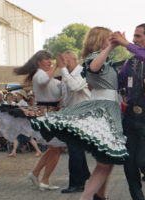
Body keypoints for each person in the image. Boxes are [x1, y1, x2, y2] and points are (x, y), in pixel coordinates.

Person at [29, 27, 128, 200]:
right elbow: (80, 80)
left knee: (105, 161)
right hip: (96, 114)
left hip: (100, 112)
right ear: (100, 41)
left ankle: (99, 195)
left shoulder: (99, 61)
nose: (64, 63)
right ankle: (85, 193)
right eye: (107, 38)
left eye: (67, 60)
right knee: (102, 161)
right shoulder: (91, 60)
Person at [0, 50, 66, 191]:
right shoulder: (39, 75)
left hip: (51, 114)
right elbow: (44, 81)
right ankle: (44, 179)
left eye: (51, 59)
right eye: (47, 59)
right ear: (39, 62)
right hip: (46, 114)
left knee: (54, 148)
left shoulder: (48, 76)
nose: (50, 61)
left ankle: (36, 174)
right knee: (56, 148)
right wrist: (57, 65)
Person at [112, 23, 145, 200]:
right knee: (129, 163)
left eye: (138, 36)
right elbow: (118, 82)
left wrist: (126, 43)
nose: (134, 39)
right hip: (130, 116)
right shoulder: (131, 62)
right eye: (134, 36)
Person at [58, 50, 91, 194]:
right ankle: (84, 176)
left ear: (74, 60)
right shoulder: (67, 75)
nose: (64, 64)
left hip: (82, 116)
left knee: (75, 150)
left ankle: (77, 183)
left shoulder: (83, 72)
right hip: (71, 115)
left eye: (66, 61)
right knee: (75, 149)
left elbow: (75, 87)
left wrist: (63, 70)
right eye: (62, 62)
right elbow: (66, 97)